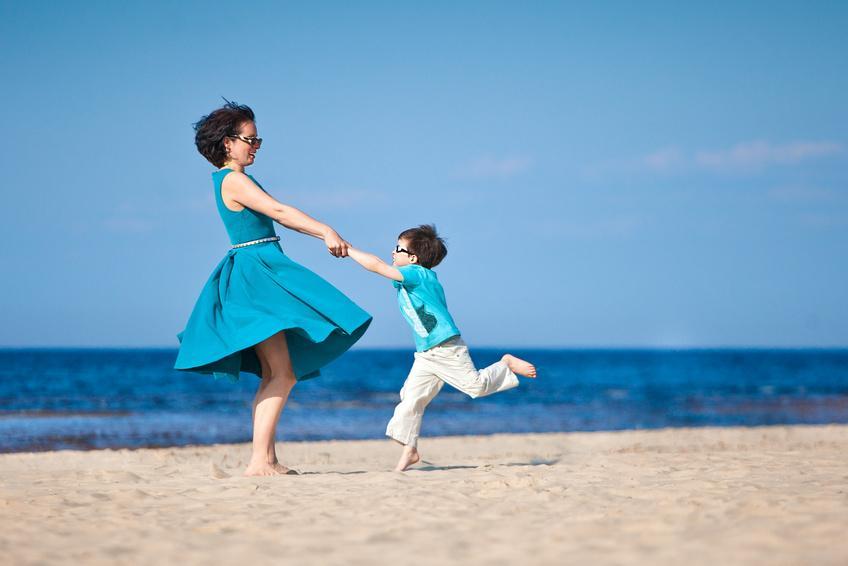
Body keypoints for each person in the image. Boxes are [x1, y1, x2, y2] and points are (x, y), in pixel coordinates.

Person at [174, 101, 372, 476]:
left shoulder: (234, 178)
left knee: (277, 373)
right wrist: (325, 230)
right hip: (257, 274)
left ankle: (265, 459)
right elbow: (279, 212)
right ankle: (259, 461)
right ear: (226, 142)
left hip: (258, 270)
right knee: (282, 373)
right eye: (250, 139)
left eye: (257, 139)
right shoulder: (233, 179)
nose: (256, 146)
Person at [346, 225, 536, 471]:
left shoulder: (418, 274)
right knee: (411, 399)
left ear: (413, 258)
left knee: (475, 387)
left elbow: (377, 266)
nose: (392, 253)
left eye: (397, 248)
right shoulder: (410, 278)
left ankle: (506, 363)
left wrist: (348, 249)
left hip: (446, 347)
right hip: (426, 354)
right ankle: (410, 450)